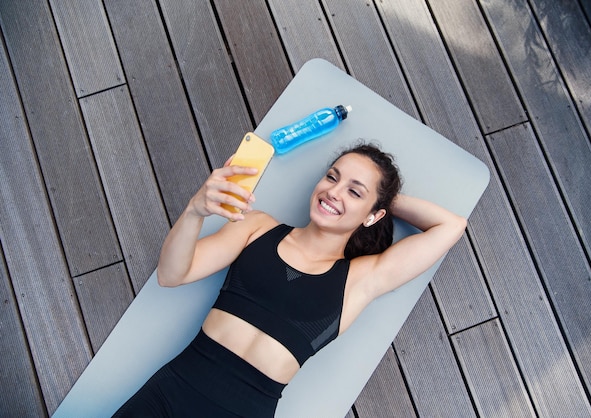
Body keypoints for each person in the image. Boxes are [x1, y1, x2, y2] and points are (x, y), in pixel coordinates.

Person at [113, 143, 466, 417]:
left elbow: (451, 226)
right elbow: (171, 274)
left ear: (374, 215)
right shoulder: (258, 227)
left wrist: (383, 196)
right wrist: (194, 210)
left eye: (354, 192)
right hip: (171, 391)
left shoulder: (361, 279)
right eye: (332, 177)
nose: (334, 191)